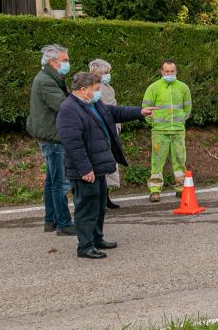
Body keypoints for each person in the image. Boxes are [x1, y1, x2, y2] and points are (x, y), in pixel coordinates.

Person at [56, 72, 153, 259]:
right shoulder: (69, 109)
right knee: (86, 208)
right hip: (85, 170)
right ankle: (85, 246)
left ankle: (97, 238)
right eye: (96, 89)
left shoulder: (93, 104)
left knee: (99, 206)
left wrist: (139, 112)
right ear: (83, 90)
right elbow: (72, 143)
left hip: (98, 165)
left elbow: (113, 112)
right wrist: (85, 169)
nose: (99, 92)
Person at [26, 44, 74, 235]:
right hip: (53, 136)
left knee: (51, 180)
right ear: (53, 62)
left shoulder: (52, 78)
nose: (67, 64)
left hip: (48, 134)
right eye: (65, 60)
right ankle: (63, 223)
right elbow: (63, 105)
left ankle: (51, 220)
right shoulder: (46, 80)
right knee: (59, 182)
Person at [142, 60, 192, 203]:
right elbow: (146, 108)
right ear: (162, 72)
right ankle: (155, 190)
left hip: (177, 130)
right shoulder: (153, 88)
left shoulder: (183, 88)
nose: (170, 74)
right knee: (157, 161)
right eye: (167, 71)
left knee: (180, 160)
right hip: (159, 131)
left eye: (172, 71)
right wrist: (154, 123)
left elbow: (187, 109)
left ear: (176, 71)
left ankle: (181, 189)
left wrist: (181, 120)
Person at [89, 59, 122, 210]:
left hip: (111, 130)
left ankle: (106, 197)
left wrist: (118, 127)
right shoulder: (93, 89)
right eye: (106, 72)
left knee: (109, 163)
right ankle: (100, 198)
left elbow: (115, 109)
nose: (108, 75)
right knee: (101, 165)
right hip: (100, 131)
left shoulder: (110, 89)